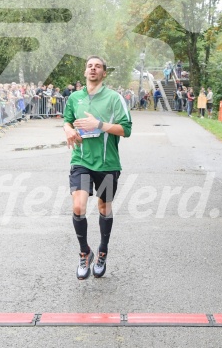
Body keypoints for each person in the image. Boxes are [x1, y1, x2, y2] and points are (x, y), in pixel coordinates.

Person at [63, 56, 132, 280]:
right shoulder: (75, 98)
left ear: (104, 73)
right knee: (78, 206)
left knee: (104, 208)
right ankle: (85, 252)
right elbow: (67, 120)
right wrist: (68, 130)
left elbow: (126, 129)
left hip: (106, 163)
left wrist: (99, 125)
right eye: (90, 66)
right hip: (81, 160)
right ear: (85, 72)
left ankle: (102, 251)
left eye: (98, 66)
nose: (93, 69)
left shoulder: (114, 98)